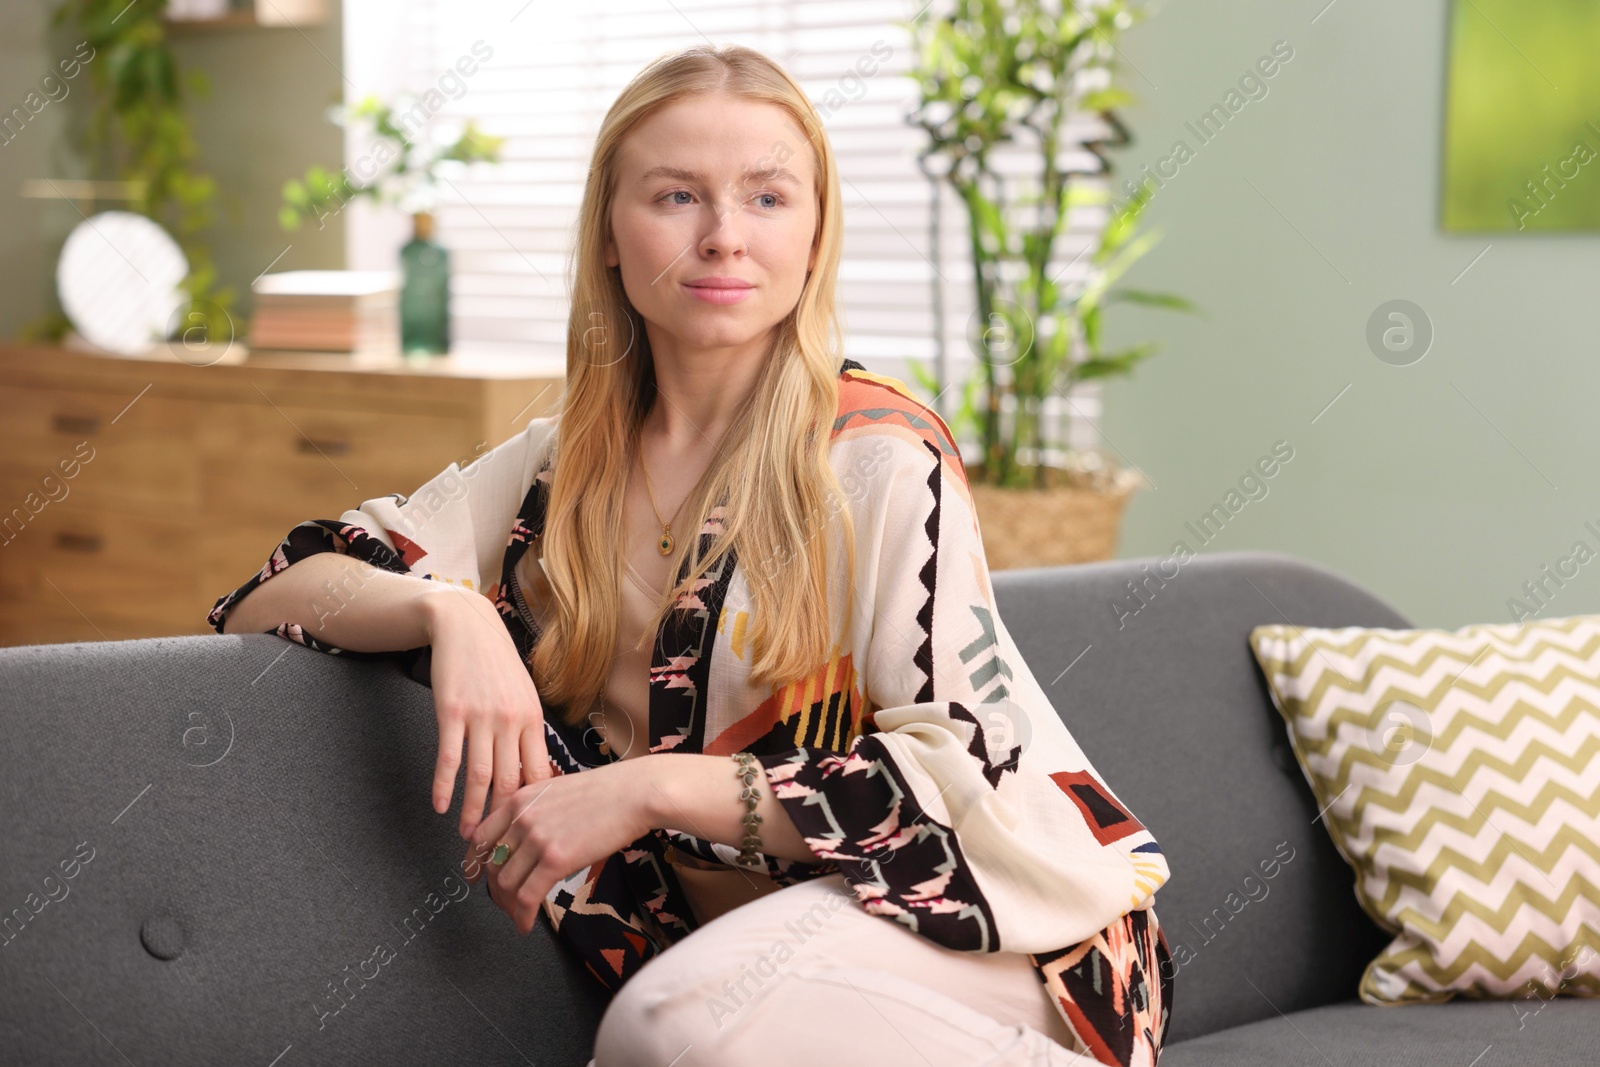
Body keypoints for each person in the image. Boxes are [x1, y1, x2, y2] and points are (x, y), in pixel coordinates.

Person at [208, 43, 1172, 1067]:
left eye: (767, 197)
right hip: (749, 952)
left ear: (814, 235)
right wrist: (452, 614)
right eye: (676, 196)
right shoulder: (555, 468)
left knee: (669, 1026)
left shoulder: (880, 461)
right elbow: (275, 591)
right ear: (612, 238)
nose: (723, 238)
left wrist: (647, 787)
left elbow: (958, 774)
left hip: (999, 935)